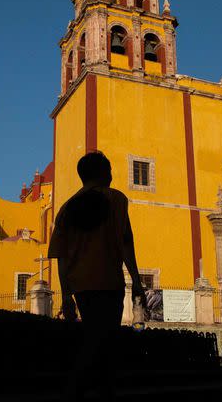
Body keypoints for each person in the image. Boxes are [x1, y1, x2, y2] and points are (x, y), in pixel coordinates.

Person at [48, 151, 145, 401]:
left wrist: (67, 295)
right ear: (103, 173)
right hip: (109, 281)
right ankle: (83, 388)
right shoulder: (116, 200)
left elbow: (61, 257)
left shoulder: (66, 209)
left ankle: (91, 387)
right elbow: (126, 242)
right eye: (110, 170)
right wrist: (136, 279)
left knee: (94, 336)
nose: (112, 175)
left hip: (80, 285)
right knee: (104, 340)